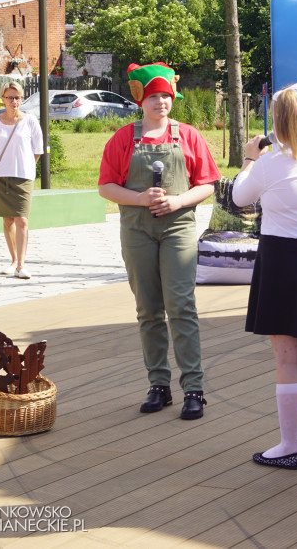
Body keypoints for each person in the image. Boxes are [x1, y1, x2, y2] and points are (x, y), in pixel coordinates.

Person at [98, 62, 220, 420]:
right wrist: (140, 198)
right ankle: (159, 385)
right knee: (148, 309)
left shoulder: (189, 135)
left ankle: (194, 388)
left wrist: (178, 201)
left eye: (165, 96)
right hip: (136, 229)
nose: (161, 103)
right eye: (153, 97)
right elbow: (106, 186)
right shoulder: (123, 138)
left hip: (178, 227)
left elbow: (208, 184)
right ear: (141, 100)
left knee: (181, 305)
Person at [231, 82, 297, 471]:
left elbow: (240, 197)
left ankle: (290, 444)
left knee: (288, 356)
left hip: (280, 257)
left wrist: (249, 159)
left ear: (275, 119)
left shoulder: (271, 161)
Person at [0, 82, 43, 279]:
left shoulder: (30, 120)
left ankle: (21, 265)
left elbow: (38, 150)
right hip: (1, 176)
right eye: (10, 97)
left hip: (23, 176)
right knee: (8, 220)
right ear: (2, 99)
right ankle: (13, 261)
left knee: (21, 219)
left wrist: (25, 165)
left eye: (17, 97)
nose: (14, 101)